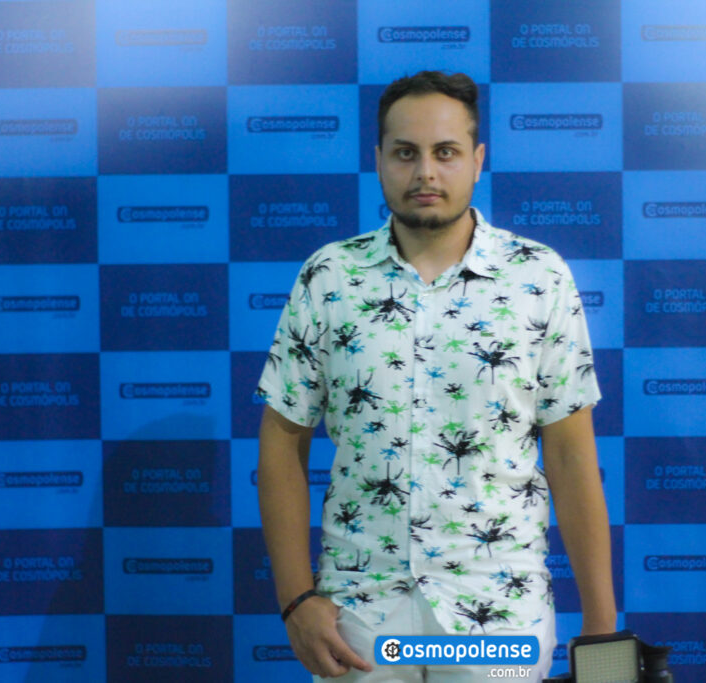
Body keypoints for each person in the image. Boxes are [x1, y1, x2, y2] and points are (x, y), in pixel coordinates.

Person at [256, 70, 615, 682]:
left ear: (477, 160)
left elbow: (571, 455)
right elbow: (281, 445)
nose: (425, 172)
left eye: (445, 152)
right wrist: (295, 600)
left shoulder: (539, 279)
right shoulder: (330, 277)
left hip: (497, 614)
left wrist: (603, 628)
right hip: (362, 618)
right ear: (379, 160)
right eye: (406, 153)